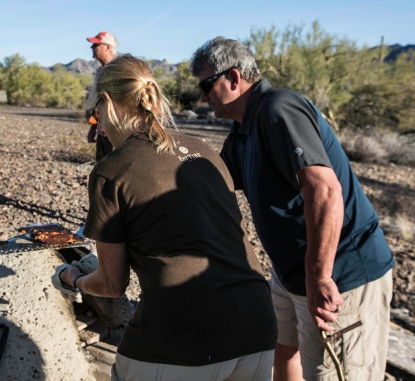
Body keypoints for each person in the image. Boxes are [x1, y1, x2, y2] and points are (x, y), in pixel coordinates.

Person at [53, 54, 277, 380]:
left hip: (182, 335)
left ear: (107, 103)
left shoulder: (111, 170)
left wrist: (71, 279)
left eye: (95, 113)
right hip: (258, 327)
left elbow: (112, 285)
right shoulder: (205, 150)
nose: (97, 122)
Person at [190, 37, 395, 381]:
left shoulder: (278, 110)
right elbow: (212, 178)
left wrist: (320, 277)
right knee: (282, 350)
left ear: (234, 77)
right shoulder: (242, 131)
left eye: (206, 86)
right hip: (293, 274)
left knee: (333, 372)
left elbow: (324, 190)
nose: (203, 98)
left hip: (340, 274)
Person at [85, 31, 117, 161]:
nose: (92, 48)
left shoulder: (118, 69)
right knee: (101, 166)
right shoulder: (101, 70)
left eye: (96, 45)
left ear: (108, 47)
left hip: (116, 134)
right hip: (103, 132)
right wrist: (94, 128)